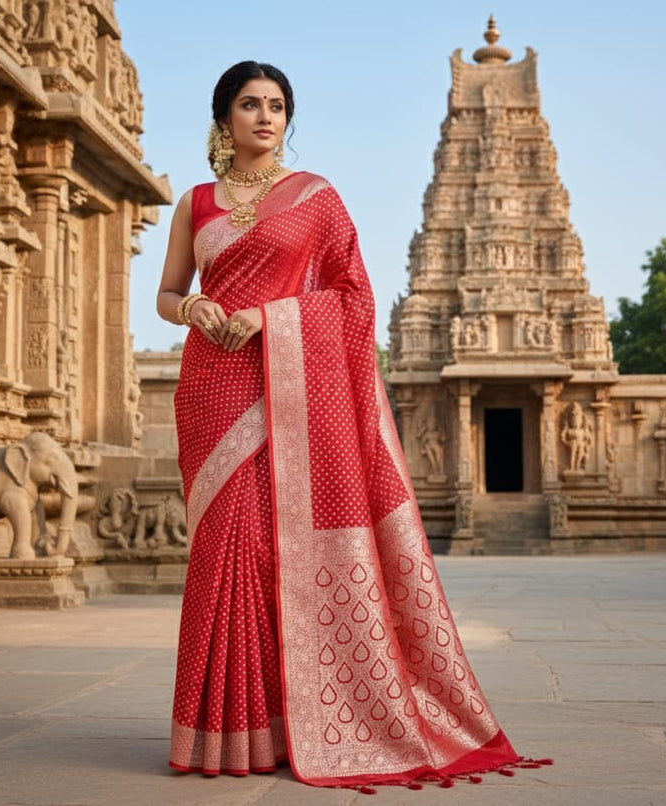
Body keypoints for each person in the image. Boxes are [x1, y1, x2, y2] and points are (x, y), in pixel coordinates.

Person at [156, 60, 548, 791]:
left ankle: (288, 724)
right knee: (223, 553)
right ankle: (226, 732)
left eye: (277, 106)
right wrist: (195, 310)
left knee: (274, 551)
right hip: (212, 387)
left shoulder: (316, 200)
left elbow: (352, 297)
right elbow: (168, 292)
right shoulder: (195, 202)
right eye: (250, 105)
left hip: (287, 386)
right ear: (224, 119)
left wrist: (269, 318)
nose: (266, 118)